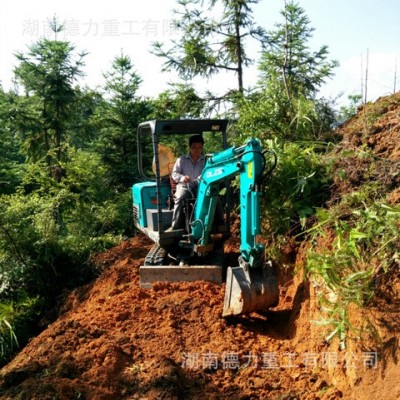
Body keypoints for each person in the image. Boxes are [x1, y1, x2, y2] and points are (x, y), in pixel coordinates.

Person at [168, 134, 205, 231]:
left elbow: (208, 173)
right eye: (194, 147)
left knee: (214, 197)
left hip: (200, 187)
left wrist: (201, 178)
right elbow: (174, 174)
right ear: (190, 147)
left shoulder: (205, 161)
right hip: (185, 186)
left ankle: (218, 224)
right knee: (180, 197)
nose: (196, 150)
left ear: (202, 148)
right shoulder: (182, 160)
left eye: (199, 148)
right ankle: (176, 226)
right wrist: (182, 178)